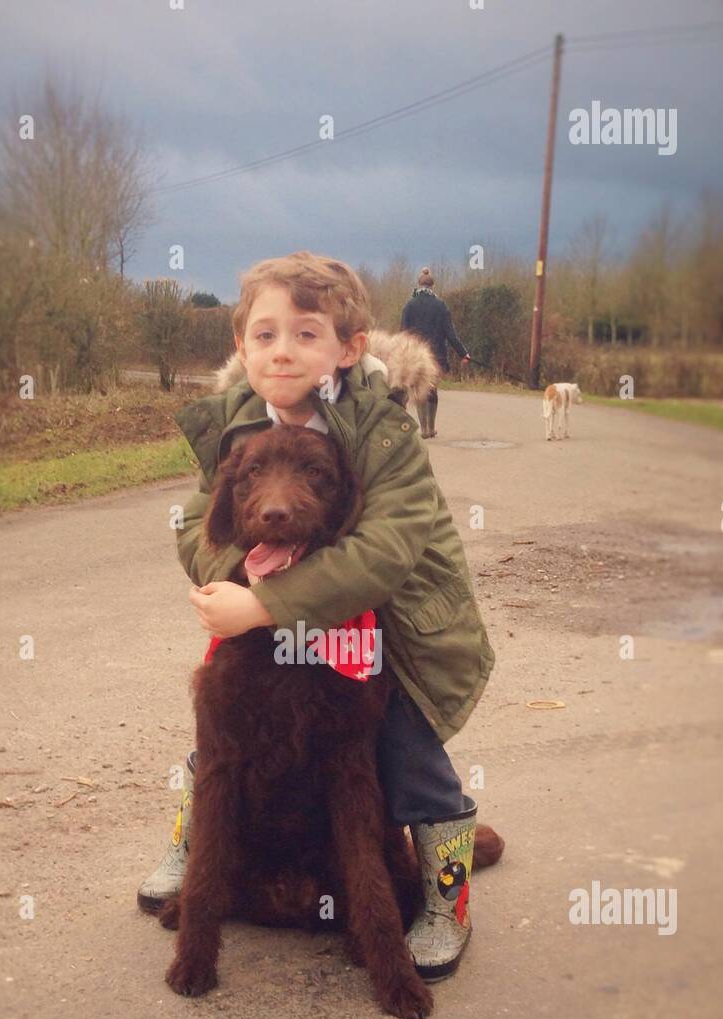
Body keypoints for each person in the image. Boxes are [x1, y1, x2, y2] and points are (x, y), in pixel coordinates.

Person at [136, 250, 496, 978]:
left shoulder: (382, 430)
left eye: (306, 333)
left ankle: (444, 901)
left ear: (349, 348)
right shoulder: (235, 422)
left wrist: (262, 602)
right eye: (264, 335)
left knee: (406, 762)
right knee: (226, 735)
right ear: (241, 347)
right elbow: (197, 523)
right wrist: (230, 586)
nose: (282, 351)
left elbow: (384, 552)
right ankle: (195, 843)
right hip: (269, 627)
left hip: (393, 635)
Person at [399, 267, 471, 439]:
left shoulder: (409, 306)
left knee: (420, 390)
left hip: (416, 356)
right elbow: (450, 333)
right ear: (433, 287)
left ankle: (423, 429)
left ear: (418, 285)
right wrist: (463, 353)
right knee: (432, 390)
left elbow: (402, 333)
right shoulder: (441, 306)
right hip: (436, 356)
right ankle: (431, 428)